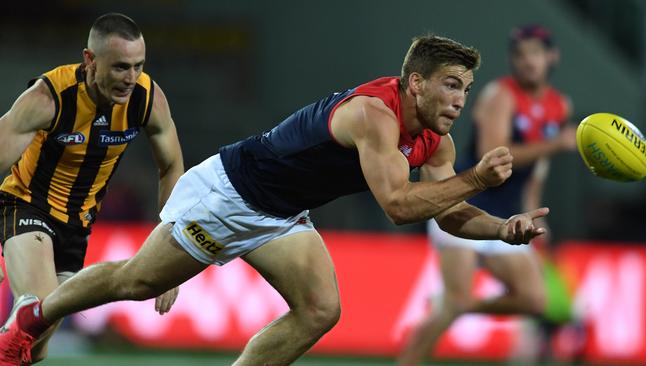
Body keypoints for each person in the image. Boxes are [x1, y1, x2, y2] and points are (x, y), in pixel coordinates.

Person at [0, 34, 549, 366]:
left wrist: (502, 230)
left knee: (320, 310)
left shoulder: (436, 141)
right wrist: (477, 179)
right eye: (450, 84)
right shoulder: (373, 115)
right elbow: (400, 206)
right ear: (415, 83)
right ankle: (33, 315)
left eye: (466, 88)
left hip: (281, 214)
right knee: (138, 283)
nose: (458, 99)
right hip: (230, 192)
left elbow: (448, 211)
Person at [0, 13, 184, 364]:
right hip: (26, 207)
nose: (131, 78)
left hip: (78, 225)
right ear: (89, 60)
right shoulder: (48, 98)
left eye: (138, 66)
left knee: (31, 350)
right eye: (120, 67)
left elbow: (172, 167)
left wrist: (170, 255)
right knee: (34, 313)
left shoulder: (147, 99)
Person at [397, 25, 576, 366]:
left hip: (506, 215)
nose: (528, 62)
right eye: (520, 54)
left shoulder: (558, 105)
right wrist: (556, 143)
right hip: (463, 208)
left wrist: (532, 205)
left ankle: (455, 303)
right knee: (453, 305)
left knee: (533, 300)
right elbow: (494, 154)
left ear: (552, 57)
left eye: (535, 53)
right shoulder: (501, 95)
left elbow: (537, 166)